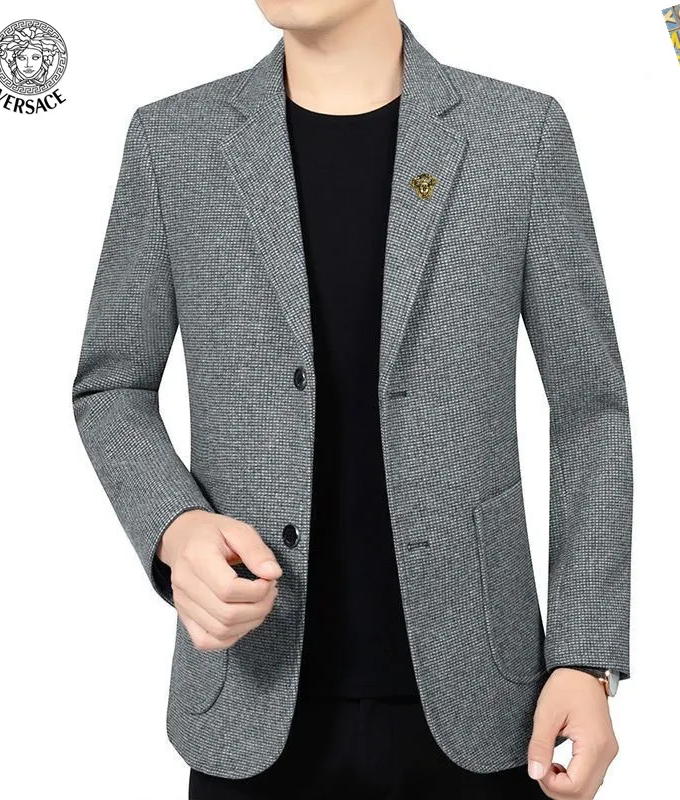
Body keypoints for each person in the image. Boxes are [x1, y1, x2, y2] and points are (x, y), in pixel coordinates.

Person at [71, 2, 633, 798]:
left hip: (484, 705)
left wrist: (585, 656)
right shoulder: (174, 141)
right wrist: (175, 524)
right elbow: (112, 385)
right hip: (250, 701)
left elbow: (589, 405)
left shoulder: (519, 134)